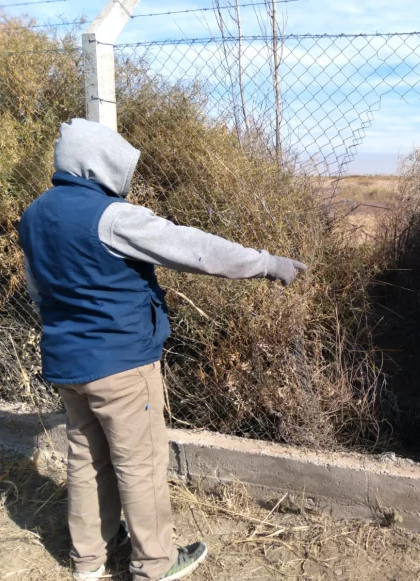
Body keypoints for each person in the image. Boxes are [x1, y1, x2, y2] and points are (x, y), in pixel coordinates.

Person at [18, 118, 308, 581]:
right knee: (141, 464)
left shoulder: (33, 215)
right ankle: (155, 563)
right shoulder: (112, 217)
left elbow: (38, 291)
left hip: (66, 363)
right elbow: (193, 248)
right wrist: (265, 263)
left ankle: (88, 560)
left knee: (86, 458)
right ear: (97, 168)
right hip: (122, 365)